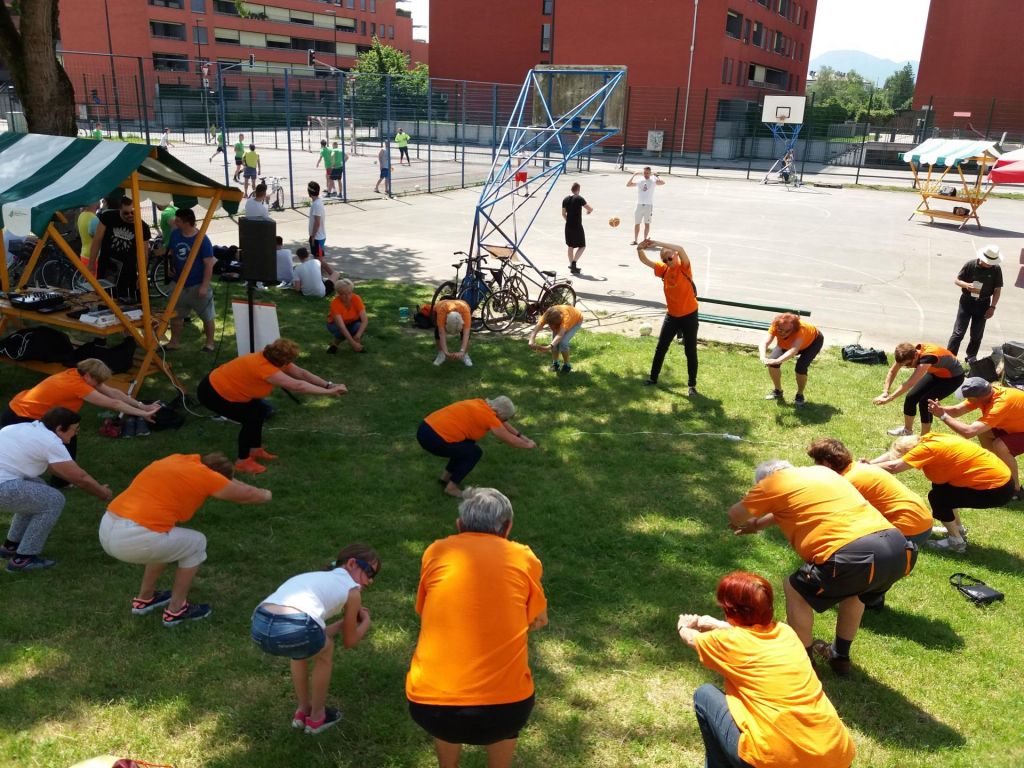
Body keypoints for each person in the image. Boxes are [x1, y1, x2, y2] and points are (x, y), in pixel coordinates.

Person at [728, 461, 915, 676]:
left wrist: (747, 519)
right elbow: (787, 507)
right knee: (856, 591)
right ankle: (839, 656)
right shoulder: (822, 472)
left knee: (794, 588)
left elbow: (736, 515)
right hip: (897, 547)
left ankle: (804, 662)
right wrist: (758, 525)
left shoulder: (771, 484)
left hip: (852, 553)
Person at [406, 488, 547, 768]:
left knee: (448, 705)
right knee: (508, 696)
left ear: (459, 526)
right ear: (507, 528)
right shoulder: (523, 557)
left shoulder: (436, 552)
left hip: (430, 707)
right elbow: (539, 620)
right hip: (505, 713)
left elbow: (424, 610)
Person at [677, 571, 856, 768]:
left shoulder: (729, 643)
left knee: (704, 696)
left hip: (774, 761)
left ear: (731, 612)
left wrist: (684, 626)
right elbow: (748, 633)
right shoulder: (786, 633)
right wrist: (712, 623)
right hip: (836, 756)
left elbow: (691, 638)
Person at [99, 452, 271, 625]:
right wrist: (266, 494)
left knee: (170, 537)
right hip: (135, 538)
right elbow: (247, 494)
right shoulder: (208, 478)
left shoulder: (178, 460)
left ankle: (145, 598)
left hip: (108, 525)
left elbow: (224, 480)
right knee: (197, 543)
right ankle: (176, 609)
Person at [251, 543, 378, 734]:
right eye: (369, 573)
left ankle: (302, 711)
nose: (370, 581)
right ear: (352, 563)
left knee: (301, 648)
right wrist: (366, 621)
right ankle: (317, 717)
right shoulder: (352, 591)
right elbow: (350, 641)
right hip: (296, 626)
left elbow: (313, 634)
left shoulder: (312, 578)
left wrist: (344, 623)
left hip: (260, 625)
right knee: (325, 650)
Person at [197, 338, 347, 474]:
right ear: (281, 360)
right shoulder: (265, 368)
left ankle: (255, 450)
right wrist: (330, 393)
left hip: (231, 388)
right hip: (213, 393)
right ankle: (242, 461)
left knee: (260, 410)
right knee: (250, 419)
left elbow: (301, 373)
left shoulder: (273, 358)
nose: (291, 363)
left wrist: (328, 385)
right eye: (290, 360)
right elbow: (299, 386)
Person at [0, 408, 112, 572]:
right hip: (3, 487)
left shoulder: (22, 428)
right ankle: (23, 559)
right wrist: (103, 493)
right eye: (75, 430)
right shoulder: (50, 441)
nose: (74, 435)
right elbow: (80, 478)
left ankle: (11, 546)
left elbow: (57, 468)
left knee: (38, 489)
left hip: (6, 480)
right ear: (60, 428)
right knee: (54, 500)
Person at [2, 359, 160, 472]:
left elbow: (113, 393)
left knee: (68, 435)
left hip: (27, 408)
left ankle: (63, 479)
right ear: (88, 376)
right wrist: (144, 414)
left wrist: (142, 406)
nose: (99, 386)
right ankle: (63, 478)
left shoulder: (78, 374)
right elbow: (114, 404)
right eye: (98, 382)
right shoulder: (78, 386)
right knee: (14, 449)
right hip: (21, 414)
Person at [871, 432, 1013, 553]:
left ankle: (956, 542)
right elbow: (895, 456)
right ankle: (958, 530)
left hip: (996, 490)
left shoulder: (926, 450)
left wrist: (862, 468)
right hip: (1004, 480)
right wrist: (870, 464)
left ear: (911, 453)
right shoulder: (927, 439)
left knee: (939, 498)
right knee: (941, 489)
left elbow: (894, 467)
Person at [807, 437, 932, 548]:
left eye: (817, 462)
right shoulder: (860, 467)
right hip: (924, 524)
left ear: (827, 464)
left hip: (909, 533)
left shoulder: (847, 482)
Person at [417, 398, 535, 497]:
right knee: (473, 453)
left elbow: (502, 423)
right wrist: (528, 445)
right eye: (506, 418)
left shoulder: (481, 403)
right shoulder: (489, 417)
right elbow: (510, 440)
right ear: (498, 413)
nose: (506, 421)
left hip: (424, 428)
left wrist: (521, 435)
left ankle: (444, 479)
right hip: (434, 439)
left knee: (466, 446)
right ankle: (451, 488)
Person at [928, 377, 1024, 499]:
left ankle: (1014, 490)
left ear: (979, 398)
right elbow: (957, 410)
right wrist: (939, 409)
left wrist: (943, 416)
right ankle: (998, 473)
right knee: (984, 433)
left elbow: (969, 432)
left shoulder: (1000, 404)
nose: (968, 400)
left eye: (970, 399)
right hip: (1017, 427)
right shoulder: (987, 393)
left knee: (1001, 446)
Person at [638, 239, 699, 395]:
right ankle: (653, 378)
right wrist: (640, 248)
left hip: (689, 316)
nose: (667, 261)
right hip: (672, 316)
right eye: (664, 259)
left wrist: (657, 243)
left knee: (690, 351)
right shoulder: (663, 269)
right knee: (661, 348)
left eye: (669, 258)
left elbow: (681, 247)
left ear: (676, 255)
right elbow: (645, 260)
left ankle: (692, 386)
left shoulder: (684, 267)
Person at [873, 342, 964, 436]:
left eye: (908, 364)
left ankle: (925, 438)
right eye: (904, 365)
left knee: (925, 402)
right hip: (937, 372)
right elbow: (892, 371)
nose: (907, 366)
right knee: (911, 397)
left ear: (916, 355)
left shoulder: (927, 358)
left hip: (953, 377)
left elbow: (909, 384)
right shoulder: (905, 352)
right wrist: (885, 392)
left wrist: (890, 398)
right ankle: (907, 431)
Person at [165, 207, 217, 352]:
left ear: (187, 223)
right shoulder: (175, 234)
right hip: (178, 283)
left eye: (178, 220)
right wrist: (171, 266)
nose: (174, 222)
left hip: (197, 283)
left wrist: (204, 286)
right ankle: (174, 342)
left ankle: (210, 343)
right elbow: (172, 252)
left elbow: (208, 263)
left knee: (207, 316)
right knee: (175, 314)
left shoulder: (202, 239)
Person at [947, 244, 1003, 362]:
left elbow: (997, 290)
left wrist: (992, 307)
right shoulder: (970, 265)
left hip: (983, 304)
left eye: (991, 262)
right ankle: (949, 358)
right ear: (982, 258)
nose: (989, 265)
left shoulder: (996, 269)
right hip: (966, 302)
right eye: (988, 262)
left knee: (977, 334)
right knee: (958, 332)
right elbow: (957, 280)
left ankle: (971, 356)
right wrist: (966, 285)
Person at [90, 196, 152, 301]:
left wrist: (142, 275)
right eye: (126, 213)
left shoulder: (143, 227)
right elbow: (97, 240)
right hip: (107, 268)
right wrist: (91, 264)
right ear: (119, 209)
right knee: (105, 299)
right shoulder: (108, 217)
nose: (130, 215)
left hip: (127, 271)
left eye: (133, 212)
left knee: (127, 302)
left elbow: (143, 254)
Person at [759, 312, 823, 407]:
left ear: (793, 329)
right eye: (780, 330)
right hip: (788, 344)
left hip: (812, 343)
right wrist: (763, 357)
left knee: (800, 367)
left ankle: (799, 395)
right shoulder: (775, 325)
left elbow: (793, 350)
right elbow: (764, 342)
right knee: (772, 363)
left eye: (787, 331)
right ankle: (778, 391)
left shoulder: (801, 329)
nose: (783, 333)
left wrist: (778, 360)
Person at [528, 303, 583, 373]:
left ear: (559, 322)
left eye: (555, 326)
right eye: (550, 325)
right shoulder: (548, 315)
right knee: (555, 343)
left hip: (577, 319)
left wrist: (549, 347)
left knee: (563, 342)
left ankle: (567, 366)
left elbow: (560, 335)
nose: (553, 328)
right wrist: (531, 339)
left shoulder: (566, 318)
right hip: (564, 317)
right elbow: (537, 327)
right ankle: (555, 364)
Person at [326, 279, 368, 354]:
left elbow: (365, 320)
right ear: (338, 293)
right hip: (334, 324)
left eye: (349, 293)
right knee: (343, 331)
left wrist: (358, 335)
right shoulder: (335, 303)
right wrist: (353, 344)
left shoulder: (356, 298)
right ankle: (338, 344)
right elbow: (341, 327)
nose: (347, 296)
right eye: (343, 294)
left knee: (358, 327)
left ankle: (336, 345)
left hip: (351, 321)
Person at [626, 167, 664, 245]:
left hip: (648, 205)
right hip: (639, 205)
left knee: (647, 223)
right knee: (637, 223)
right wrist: (634, 175)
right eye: (644, 173)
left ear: (650, 173)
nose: (646, 174)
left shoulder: (653, 180)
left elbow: (663, 182)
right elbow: (628, 185)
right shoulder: (640, 180)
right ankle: (635, 240)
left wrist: (657, 176)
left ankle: (645, 240)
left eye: (647, 173)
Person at [561, 182, 592, 274]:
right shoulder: (579, 198)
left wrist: (568, 220)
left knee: (570, 246)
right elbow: (590, 208)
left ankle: (572, 266)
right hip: (577, 225)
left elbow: (563, 213)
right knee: (582, 246)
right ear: (578, 190)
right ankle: (574, 263)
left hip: (568, 226)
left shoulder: (565, 199)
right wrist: (589, 211)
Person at [432, 298, 472, 367]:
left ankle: (465, 355)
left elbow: (466, 334)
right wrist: (446, 352)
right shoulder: (442, 312)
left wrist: (462, 351)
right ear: (446, 323)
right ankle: (441, 354)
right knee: (438, 331)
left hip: (462, 306)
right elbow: (441, 333)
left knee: (467, 333)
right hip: (441, 306)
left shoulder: (466, 313)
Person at [307, 181, 329, 276]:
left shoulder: (316, 204)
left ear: (309, 192)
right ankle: (319, 275)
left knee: (319, 259)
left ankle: (331, 274)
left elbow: (317, 222)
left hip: (317, 237)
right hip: (317, 236)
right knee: (317, 258)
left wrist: (312, 236)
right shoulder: (317, 202)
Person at [76, 201, 100, 271]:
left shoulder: (81, 215)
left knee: (86, 280)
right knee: (94, 281)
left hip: (83, 254)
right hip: (94, 258)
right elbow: (99, 240)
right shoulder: (94, 219)